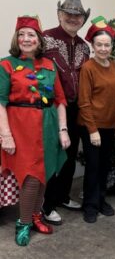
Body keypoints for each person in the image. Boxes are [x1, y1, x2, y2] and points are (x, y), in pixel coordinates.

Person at [0, 16, 70, 246]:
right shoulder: (6, 64)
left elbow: (60, 100)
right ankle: (23, 222)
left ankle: (36, 215)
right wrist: (6, 135)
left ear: (39, 40)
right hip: (21, 127)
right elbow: (0, 103)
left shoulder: (49, 65)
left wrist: (63, 130)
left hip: (48, 126)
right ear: (16, 38)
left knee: (44, 175)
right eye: (22, 34)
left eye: (31, 35)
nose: (26, 39)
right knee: (30, 177)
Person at [42, 0, 90, 225]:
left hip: (77, 109)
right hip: (52, 108)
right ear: (59, 14)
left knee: (70, 157)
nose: (73, 18)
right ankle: (47, 204)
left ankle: (62, 196)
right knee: (54, 155)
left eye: (77, 15)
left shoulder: (85, 47)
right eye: (68, 14)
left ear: (83, 19)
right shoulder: (45, 39)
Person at [78, 16, 115, 223]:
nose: (103, 48)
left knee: (104, 166)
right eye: (99, 45)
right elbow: (84, 102)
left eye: (107, 45)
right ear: (93, 46)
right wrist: (92, 130)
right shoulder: (88, 68)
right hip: (92, 127)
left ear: (111, 46)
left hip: (110, 125)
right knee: (93, 167)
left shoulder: (113, 65)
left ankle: (101, 199)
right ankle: (90, 205)